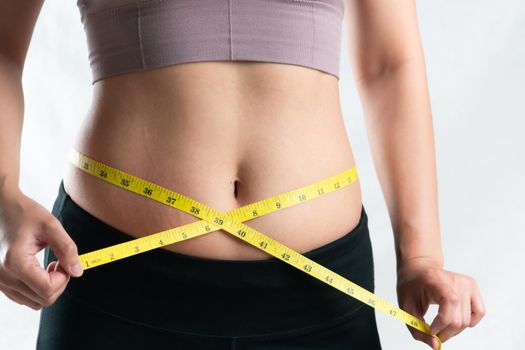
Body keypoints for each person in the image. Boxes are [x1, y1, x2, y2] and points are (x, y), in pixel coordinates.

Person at [0, 0, 485, 349]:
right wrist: (7, 198)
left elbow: (388, 64)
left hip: (319, 294)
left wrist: (421, 255)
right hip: (114, 280)